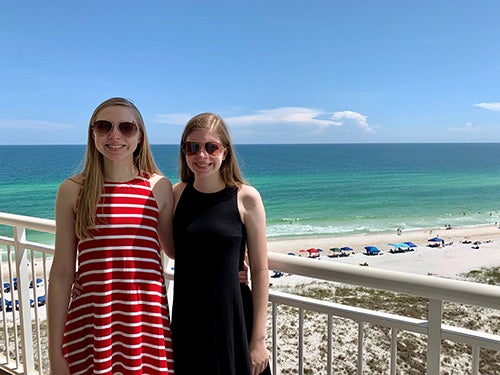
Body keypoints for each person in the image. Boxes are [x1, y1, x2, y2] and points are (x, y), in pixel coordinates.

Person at [48, 97, 175, 375]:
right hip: (93, 322)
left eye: (127, 128)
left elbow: (177, 250)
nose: (114, 135)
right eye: (104, 126)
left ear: (140, 136)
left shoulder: (160, 187)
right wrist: (55, 353)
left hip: (146, 322)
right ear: (93, 133)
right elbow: (61, 272)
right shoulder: (72, 190)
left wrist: (239, 255)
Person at [171, 112, 271, 374]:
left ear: (224, 152)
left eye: (211, 147)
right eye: (192, 147)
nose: (201, 155)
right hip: (189, 317)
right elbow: (173, 250)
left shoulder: (246, 198)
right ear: (184, 152)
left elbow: (260, 270)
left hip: (233, 317)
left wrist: (258, 340)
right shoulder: (177, 194)